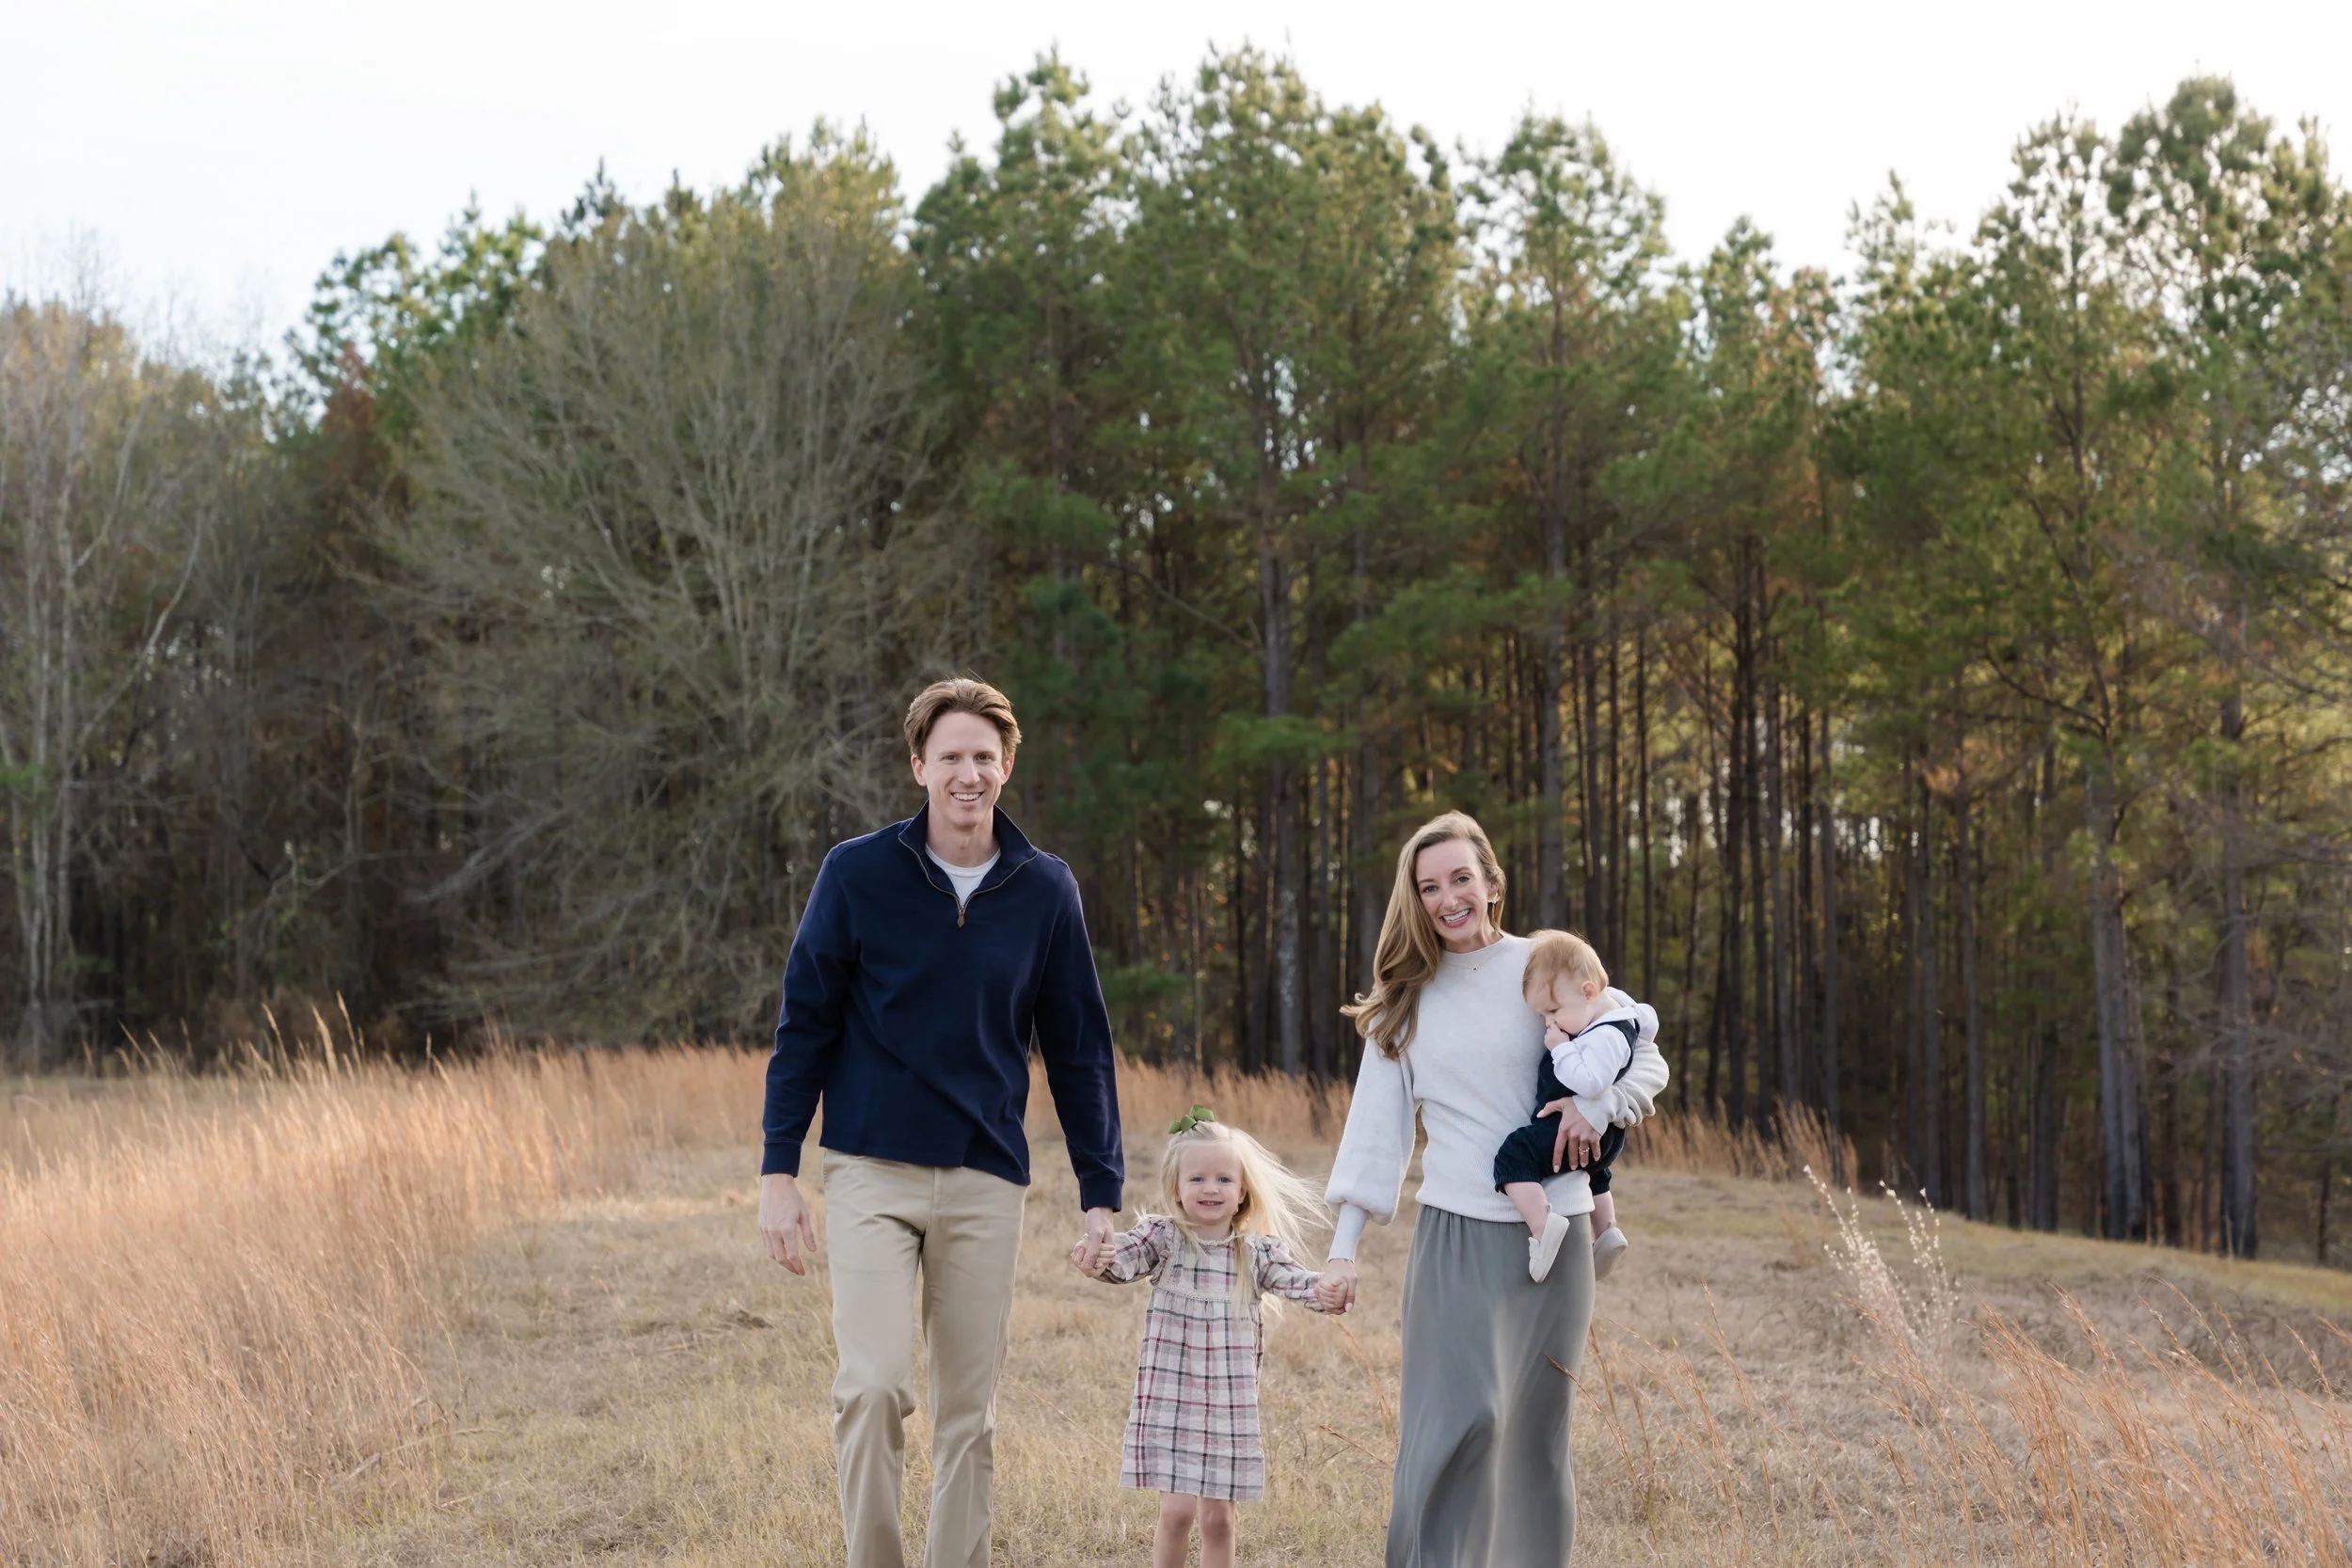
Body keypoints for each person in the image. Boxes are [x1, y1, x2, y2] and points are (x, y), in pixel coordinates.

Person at [757, 676, 1125, 1568]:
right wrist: (778, 1169)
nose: (969, 774)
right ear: (919, 765)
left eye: (985, 757)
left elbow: (1078, 1046)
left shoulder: (1046, 889)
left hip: (985, 1176)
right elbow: (804, 1020)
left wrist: (1100, 1191)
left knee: (969, 1414)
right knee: (872, 1386)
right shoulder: (857, 872)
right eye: (951, 756)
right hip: (868, 1168)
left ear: (1007, 767)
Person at [1319, 811, 1670, 1567]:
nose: (1449, 898)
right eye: (1430, 886)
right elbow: (1373, 1135)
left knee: (1536, 1436)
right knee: (1459, 1421)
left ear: (1491, 882)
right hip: (1455, 1237)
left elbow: (1643, 1053)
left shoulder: (1546, 965)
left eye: (1461, 879)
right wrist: (1343, 1251)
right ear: (1414, 900)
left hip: (1560, 1234)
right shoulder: (1405, 1000)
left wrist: (1596, 1104)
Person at [1073, 1108, 1341, 1568]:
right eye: (1196, 1179)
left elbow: (1298, 1281)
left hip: (1228, 1407)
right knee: (1176, 1512)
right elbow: (1123, 1261)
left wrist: (1328, 1289)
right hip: (1170, 1397)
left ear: (1242, 1193)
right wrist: (1097, 1256)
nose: (1210, 1188)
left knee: (1219, 1519)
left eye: (1223, 1179)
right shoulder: (1163, 1239)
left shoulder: (1255, 1253)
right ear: (1175, 1188)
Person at [1492, 929, 1659, 1283]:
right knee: (1594, 1172)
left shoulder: (1606, 1035)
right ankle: (1607, 1230)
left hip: (1568, 1127)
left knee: (1513, 1156)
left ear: (1588, 992)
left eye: (1553, 1011)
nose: (1549, 1023)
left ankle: (1542, 1227)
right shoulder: (1610, 1016)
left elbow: (1592, 1083)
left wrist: (1560, 1048)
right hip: (1605, 1136)